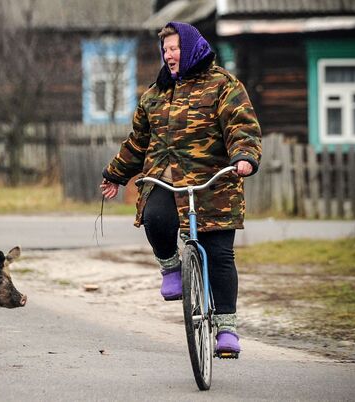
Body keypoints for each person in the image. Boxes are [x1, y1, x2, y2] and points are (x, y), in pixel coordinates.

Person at [100, 21, 262, 355]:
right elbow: (138, 143)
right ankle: (171, 267)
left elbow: (241, 125)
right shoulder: (154, 94)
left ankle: (227, 329)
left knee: (219, 253)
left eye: (175, 48)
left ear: (190, 47)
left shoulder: (223, 85)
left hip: (213, 180)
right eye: (165, 50)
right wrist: (115, 174)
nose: (169, 55)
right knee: (155, 218)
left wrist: (244, 156)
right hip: (166, 176)